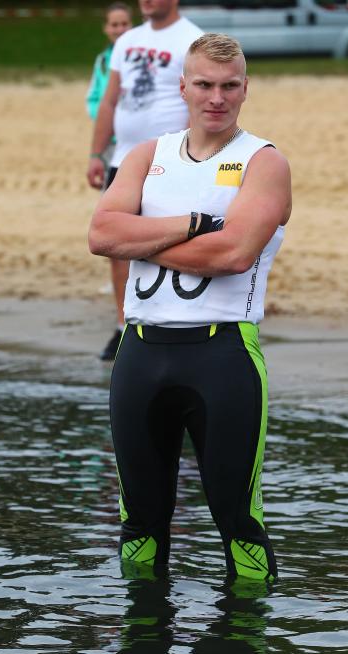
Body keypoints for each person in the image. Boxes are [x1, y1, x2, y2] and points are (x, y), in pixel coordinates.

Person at [88, 33, 292, 581]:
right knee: (138, 525)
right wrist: (195, 225)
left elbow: (231, 255)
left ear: (245, 88)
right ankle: (142, 636)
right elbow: (102, 234)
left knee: (238, 522)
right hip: (140, 354)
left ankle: (245, 637)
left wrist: (142, 240)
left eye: (229, 86)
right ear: (183, 87)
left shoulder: (264, 162)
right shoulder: (146, 155)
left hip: (223, 356)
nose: (216, 98)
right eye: (204, 84)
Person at [87, 0, 202, 360]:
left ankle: (170, 322)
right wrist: (96, 153)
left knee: (166, 240)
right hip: (121, 159)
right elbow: (109, 101)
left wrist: (190, 158)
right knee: (117, 244)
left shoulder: (192, 40)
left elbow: (197, 105)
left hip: (167, 161)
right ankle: (124, 325)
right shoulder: (128, 40)